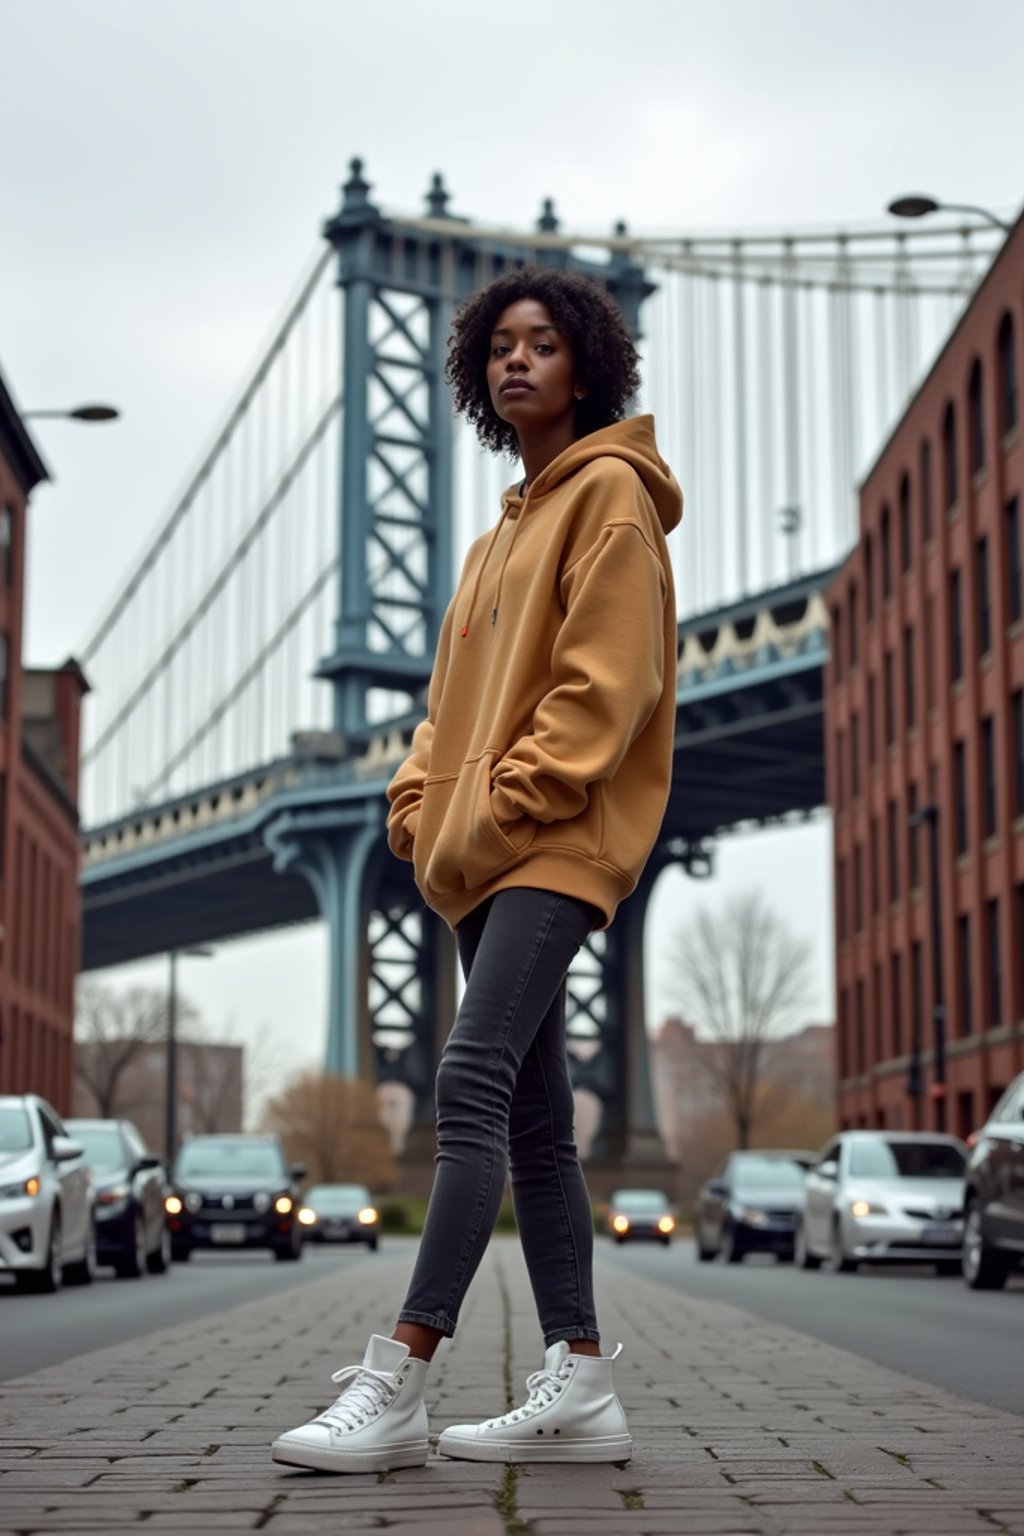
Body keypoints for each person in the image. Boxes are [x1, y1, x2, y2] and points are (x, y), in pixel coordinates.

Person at [272, 265, 682, 1475]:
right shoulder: (500, 531)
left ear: (586, 365)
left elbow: (607, 691)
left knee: (467, 1081)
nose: (516, 361)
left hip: (550, 845)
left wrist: (499, 807)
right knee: (541, 1123)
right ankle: (583, 1382)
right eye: (498, 345)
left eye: (543, 343)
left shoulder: (609, 496)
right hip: (478, 856)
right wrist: (416, 805)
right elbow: (442, 712)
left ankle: (398, 1374)